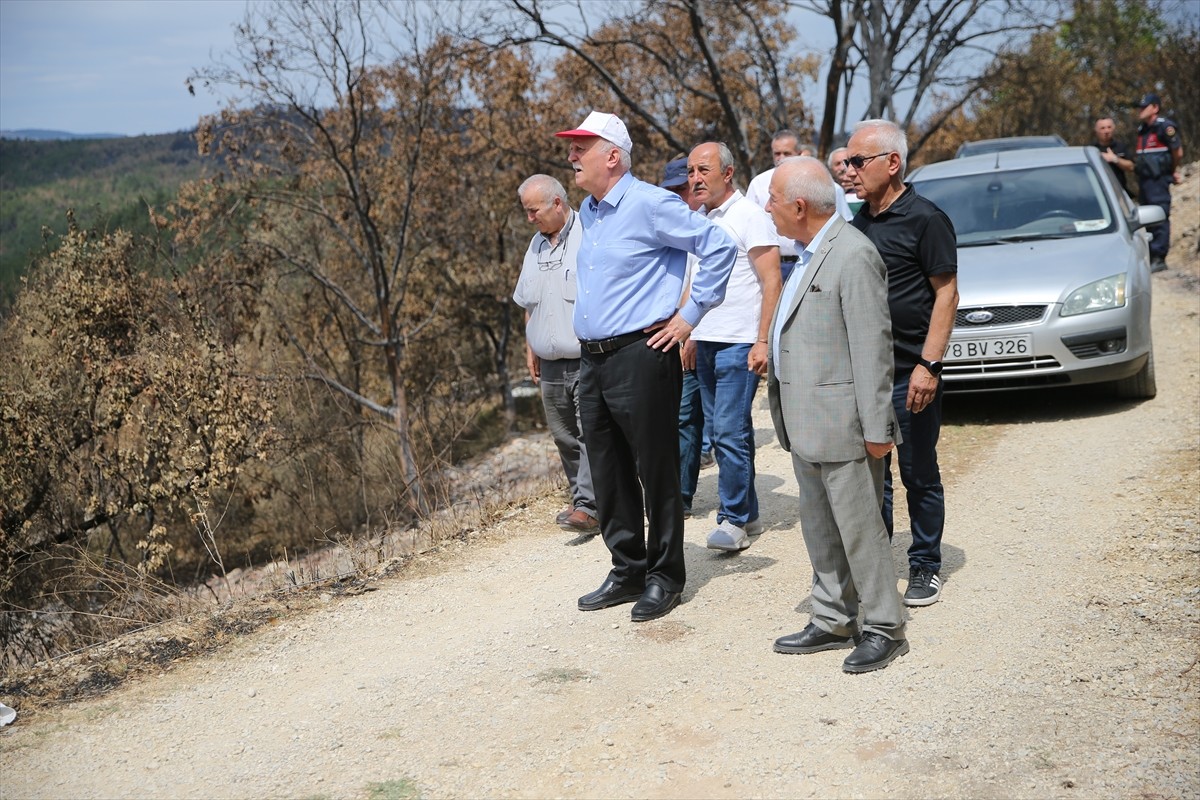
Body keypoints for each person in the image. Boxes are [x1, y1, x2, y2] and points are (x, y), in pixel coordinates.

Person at [555, 111, 737, 622]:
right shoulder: (589, 211)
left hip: (642, 352)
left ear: (612, 155)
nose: (571, 156)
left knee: (654, 469)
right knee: (608, 471)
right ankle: (628, 567)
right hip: (592, 358)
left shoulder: (651, 203)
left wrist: (689, 317)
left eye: (580, 148)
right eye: (572, 148)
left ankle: (663, 575)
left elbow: (719, 246)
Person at [763, 156, 907, 673]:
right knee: (820, 528)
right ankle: (832, 617)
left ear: (799, 207)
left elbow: (874, 348)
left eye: (774, 199)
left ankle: (884, 626)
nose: (768, 208)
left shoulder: (853, 255)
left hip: (844, 425)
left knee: (860, 529)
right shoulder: (807, 253)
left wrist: (876, 429)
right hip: (807, 423)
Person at [845, 119, 959, 608]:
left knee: (918, 473)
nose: (849, 170)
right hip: (867, 376)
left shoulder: (926, 219)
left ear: (892, 163)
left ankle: (925, 565)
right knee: (875, 475)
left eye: (858, 161)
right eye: (846, 162)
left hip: (910, 374)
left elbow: (948, 294)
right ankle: (876, 565)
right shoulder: (857, 224)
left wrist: (928, 366)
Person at [686, 141, 781, 551]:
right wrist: (688, 331)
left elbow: (772, 281)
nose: (694, 179)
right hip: (705, 341)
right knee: (728, 432)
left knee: (727, 431)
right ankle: (750, 514)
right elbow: (695, 282)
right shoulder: (699, 219)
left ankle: (733, 519)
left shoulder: (750, 217)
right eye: (691, 171)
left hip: (739, 343)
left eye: (702, 170)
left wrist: (762, 340)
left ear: (727, 173)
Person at [513, 175, 600, 535]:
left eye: (534, 211)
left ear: (557, 204)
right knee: (564, 436)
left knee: (591, 433)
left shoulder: (590, 235)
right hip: (548, 363)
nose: (530, 218)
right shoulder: (534, 246)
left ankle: (589, 507)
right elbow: (528, 301)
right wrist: (529, 344)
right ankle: (584, 499)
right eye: (526, 211)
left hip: (586, 357)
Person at [660, 156, 712, 519]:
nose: (680, 197)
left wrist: (690, 332)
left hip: (704, 335)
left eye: (685, 189)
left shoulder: (708, 225)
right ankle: (678, 494)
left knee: (715, 423)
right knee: (679, 417)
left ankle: (739, 508)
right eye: (672, 191)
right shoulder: (664, 227)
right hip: (672, 337)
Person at [1134, 93, 1184, 273]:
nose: (1140, 110)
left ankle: (1159, 256)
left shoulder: (1165, 127)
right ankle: (1150, 254)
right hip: (1145, 180)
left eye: (1144, 106)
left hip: (1158, 179)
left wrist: (1171, 171)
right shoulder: (1143, 129)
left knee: (1159, 215)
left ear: (1155, 108)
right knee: (1146, 217)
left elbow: (1177, 152)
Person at [745, 130, 804, 281]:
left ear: (799, 152)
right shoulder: (759, 183)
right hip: (773, 264)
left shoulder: (811, 180)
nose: (781, 158)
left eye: (787, 153)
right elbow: (749, 224)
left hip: (806, 260)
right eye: (777, 153)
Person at [1091, 116, 1134, 192]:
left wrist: (1115, 159)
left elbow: (1131, 167)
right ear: (1096, 130)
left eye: (1109, 127)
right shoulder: (1091, 150)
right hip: (1098, 191)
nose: (1106, 131)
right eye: (1102, 128)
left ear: (1113, 129)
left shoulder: (1121, 146)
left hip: (1119, 191)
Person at [828, 146, 864, 215]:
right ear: (831, 169)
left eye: (846, 162)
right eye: (838, 164)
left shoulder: (865, 189)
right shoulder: (829, 192)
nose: (843, 167)